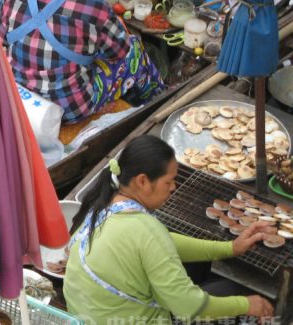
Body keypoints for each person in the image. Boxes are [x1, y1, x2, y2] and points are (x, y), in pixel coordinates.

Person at [64, 136, 275, 323]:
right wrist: (246, 304)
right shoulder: (146, 230)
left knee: (198, 266)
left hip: (88, 314)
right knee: (230, 290)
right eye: (169, 181)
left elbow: (164, 242)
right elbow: (189, 307)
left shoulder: (102, 206)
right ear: (143, 181)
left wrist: (231, 248)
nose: (174, 187)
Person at [0, 0, 165, 123]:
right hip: (69, 109)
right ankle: (159, 104)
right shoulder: (92, 5)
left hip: (22, 93)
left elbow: (3, 38)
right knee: (135, 52)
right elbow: (119, 51)